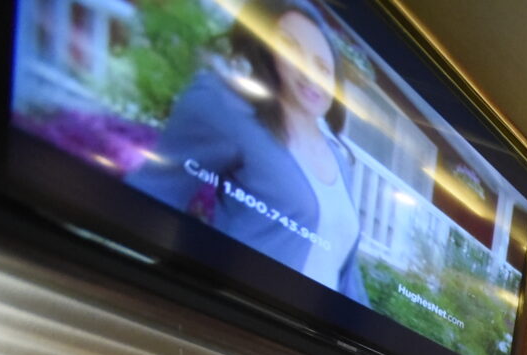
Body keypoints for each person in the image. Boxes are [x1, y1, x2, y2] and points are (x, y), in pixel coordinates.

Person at [129, 0, 366, 302]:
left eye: (322, 66)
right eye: (292, 49)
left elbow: (346, 276)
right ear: (268, 52)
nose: (309, 73)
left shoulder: (339, 160)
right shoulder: (228, 109)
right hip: (235, 318)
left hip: (301, 332)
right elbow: (151, 195)